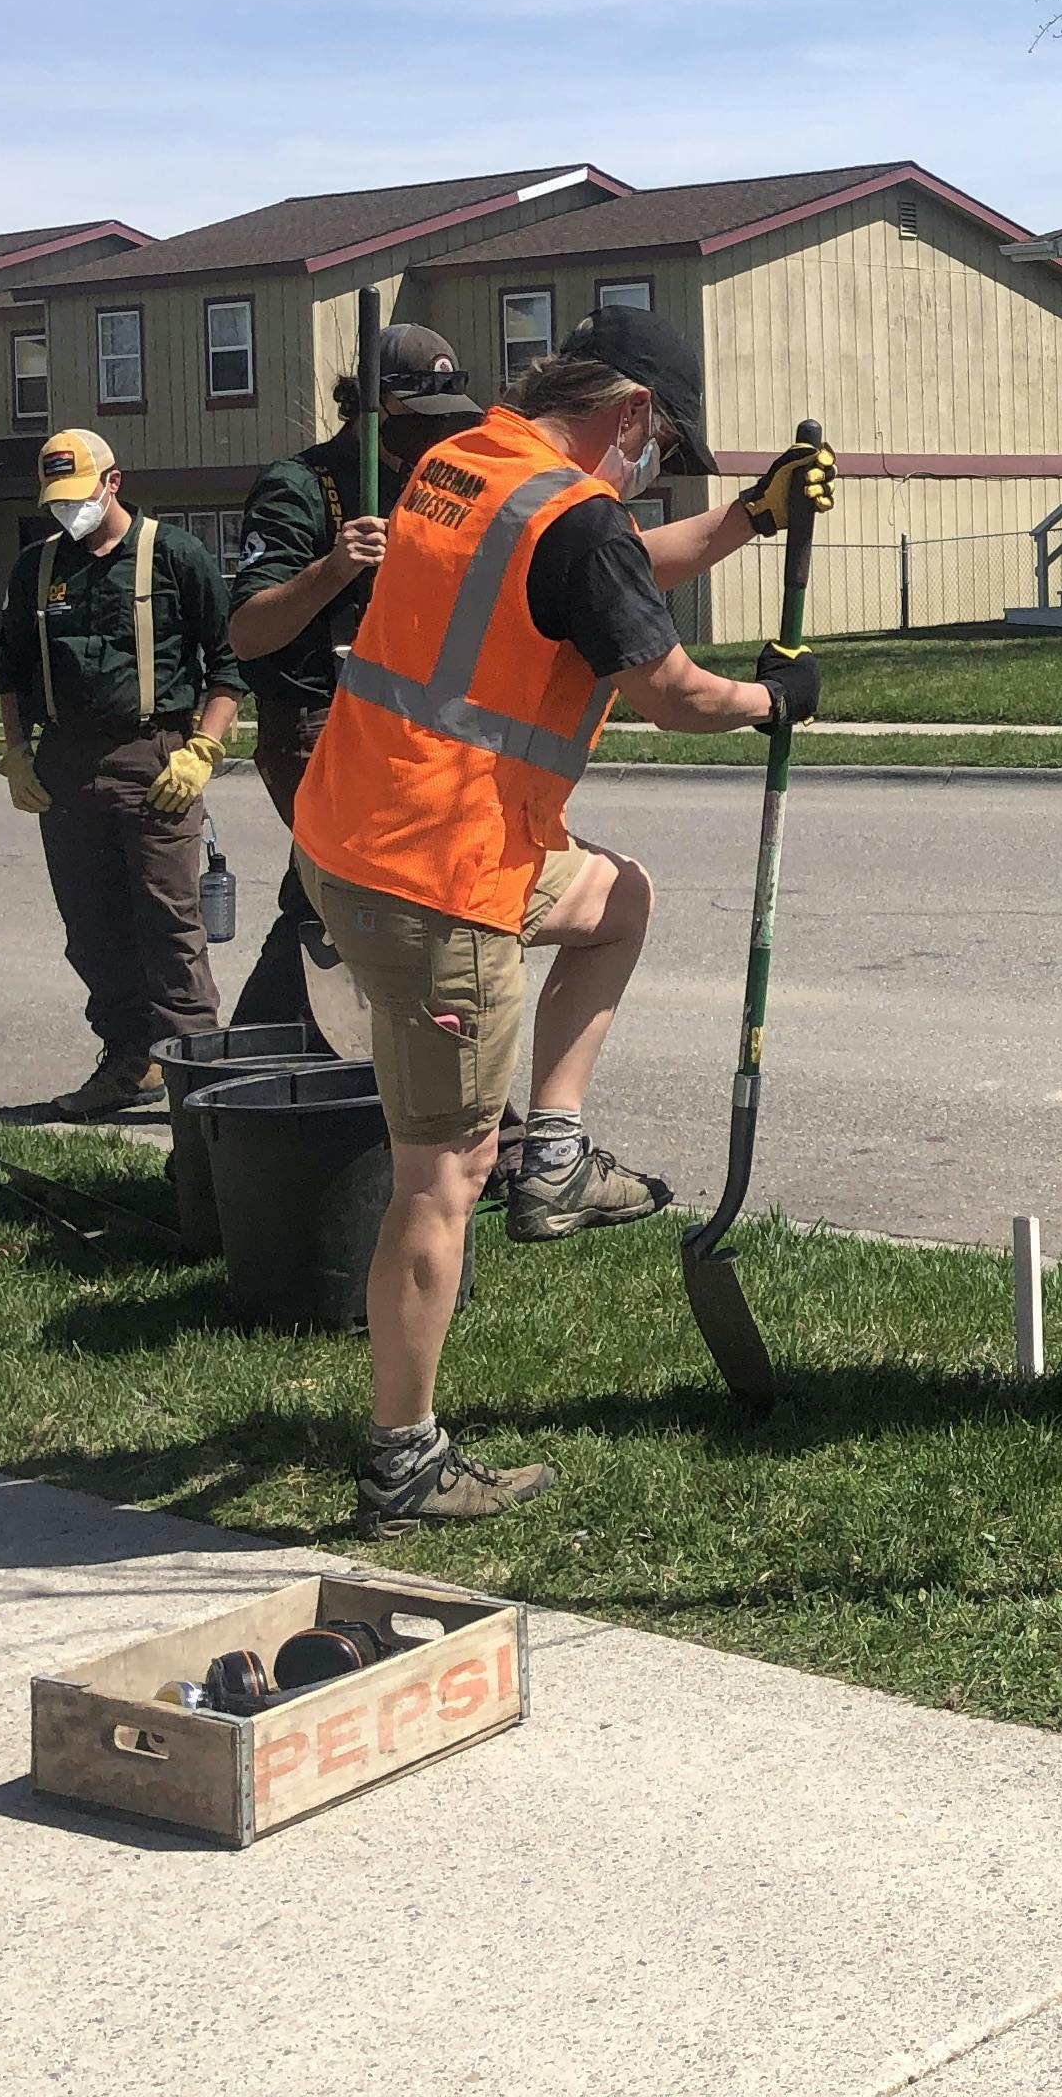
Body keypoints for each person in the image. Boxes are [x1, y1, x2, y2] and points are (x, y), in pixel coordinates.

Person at [290, 305, 832, 1533]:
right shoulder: (572, 517)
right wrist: (773, 699)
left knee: (618, 900)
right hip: (438, 879)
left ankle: (557, 1158)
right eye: (663, 449)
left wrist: (750, 515)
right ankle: (403, 1463)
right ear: (630, 413)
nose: (654, 475)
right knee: (438, 1176)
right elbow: (672, 690)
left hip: (372, 832)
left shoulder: (466, 464)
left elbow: (612, 571)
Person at [221, 322, 489, 1039]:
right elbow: (249, 629)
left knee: (324, 905)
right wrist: (334, 567)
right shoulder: (300, 486)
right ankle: (461, 1102)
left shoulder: (436, 489)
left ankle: (246, 1074)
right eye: (421, 422)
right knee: (381, 900)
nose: (437, 439)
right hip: (316, 726)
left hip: (407, 727)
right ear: (374, 411)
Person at [0, 428, 246, 1118]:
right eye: (56, 501)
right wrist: (17, 752)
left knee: (168, 928)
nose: (68, 512)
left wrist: (201, 751)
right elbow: (11, 672)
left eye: (79, 496)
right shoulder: (36, 568)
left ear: (114, 482)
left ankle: (199, 1083)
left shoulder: (175, 555)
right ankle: (130, 1061)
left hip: (155, 758)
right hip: (65, 765)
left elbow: (227, 665)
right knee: (92, 930)